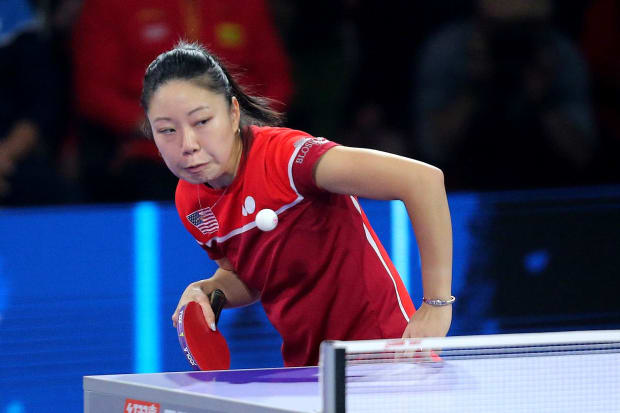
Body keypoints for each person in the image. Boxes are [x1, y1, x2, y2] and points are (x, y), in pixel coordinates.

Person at [141, 42, 453, 367]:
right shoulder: (190, 200)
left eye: (202, 121)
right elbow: (247, 277)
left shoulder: (288, 159)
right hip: (309, 367)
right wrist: (207, 290)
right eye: (167, 130)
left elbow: (422, 182)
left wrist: (437, 304)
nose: (187, 144)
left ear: (233, 113)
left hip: (385, 350)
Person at [71, 0, 293, 203]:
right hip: (151, 154)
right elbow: (95, 93)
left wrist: (241, 125)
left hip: (240, 144)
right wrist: (166, 128)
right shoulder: (111, 6)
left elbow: (277, 81)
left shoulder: (246, 5)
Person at [414, 0, 597, 190]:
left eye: (523, 29)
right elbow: (432, 148)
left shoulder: (558, 55)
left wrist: (543, 99)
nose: (512, 41)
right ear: (481, 18)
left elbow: (581, 153)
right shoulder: (452, 50)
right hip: (462, 194)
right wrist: (474, 88)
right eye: (500, 30)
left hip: (547, 190)